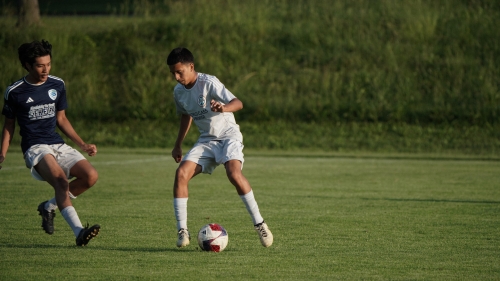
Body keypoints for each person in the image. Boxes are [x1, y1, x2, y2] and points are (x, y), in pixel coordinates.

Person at [167, 47, 273, 248]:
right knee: (181, 174)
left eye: (180, 71)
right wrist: (178, 144)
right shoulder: (178, 91)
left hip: (228, 136)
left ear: (191, 66)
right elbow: (185, 115)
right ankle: (182, 231)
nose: (176, 76)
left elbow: (238, 103)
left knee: (234, 174)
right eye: (173, 72)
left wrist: (223, 108)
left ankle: (260, 224)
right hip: (207, 140)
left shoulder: (209, 82)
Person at [0, 40, 100, 246]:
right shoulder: (15, 91)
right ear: (27, 65)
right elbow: (9, 125)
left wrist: (82, 144)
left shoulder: (57, 84)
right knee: (61, 183)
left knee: (90, 176)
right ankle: (79, 232)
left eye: (48, 64)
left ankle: (49, 206)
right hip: (35, 147)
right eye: (39, 65)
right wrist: (2, 153)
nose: (45, 69)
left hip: (56, 143)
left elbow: (61, 119)